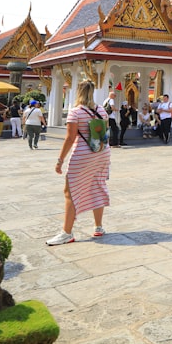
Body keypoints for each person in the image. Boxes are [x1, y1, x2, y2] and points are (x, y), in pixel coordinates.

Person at [46, 80, 111, 246]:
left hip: (83, 155)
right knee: (97, 185)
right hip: (102, 152)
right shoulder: (102, 110)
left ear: (78, 92)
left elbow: (70, 137)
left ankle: (66, 232)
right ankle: (99, 227)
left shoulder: (75, 112)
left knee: (70, 191)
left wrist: (60, 160)